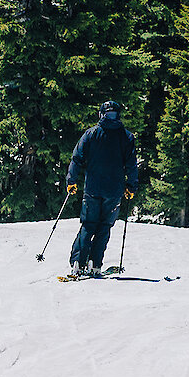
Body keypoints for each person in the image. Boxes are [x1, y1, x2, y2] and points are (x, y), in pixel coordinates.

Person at [65, 100, 139, 277]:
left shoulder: (90, 134)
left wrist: (71, 181)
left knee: (88, 225)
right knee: (104, 226)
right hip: (114, 191)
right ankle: (95, 263)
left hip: (92, 188)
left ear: (101, 114)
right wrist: (131, 186)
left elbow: (77, 158)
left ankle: (78, 261)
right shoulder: (126, 137)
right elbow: (132, 165)